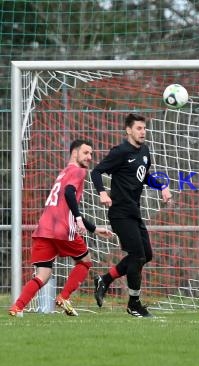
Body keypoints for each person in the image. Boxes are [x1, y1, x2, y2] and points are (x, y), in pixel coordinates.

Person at [9, 140, 114, 317]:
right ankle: (64, 297)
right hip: (63, 230)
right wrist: (79, 219)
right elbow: (69, 194)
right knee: (85, 261)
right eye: (86, 153)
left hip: (44, 229)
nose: (89, 157)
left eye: (91, 154)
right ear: (74, 153)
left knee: (43, 275)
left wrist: (94, 228)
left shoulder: (63, 173)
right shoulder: (78, 171)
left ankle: (17, 307)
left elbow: (66, 204)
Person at [90, 113, 172, 318]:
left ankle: (105, 279)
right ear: (128, 130)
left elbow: (143, 177)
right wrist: (102, 192)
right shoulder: (120, 152)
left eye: (144, 128)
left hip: (134, 212)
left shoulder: (144, 151)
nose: (143, 132)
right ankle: (134, 304)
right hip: (119, 212)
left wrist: (161, 186)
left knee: (147, 255)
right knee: (137, 256)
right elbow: (96, 172)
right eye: (138, 128)